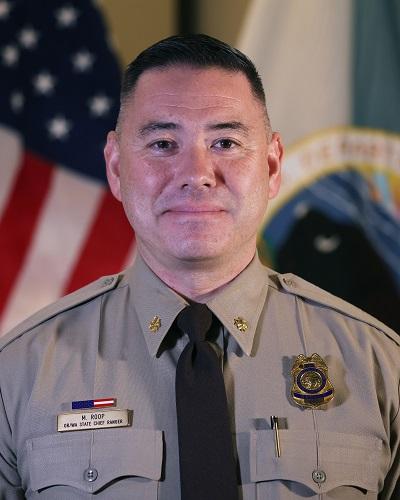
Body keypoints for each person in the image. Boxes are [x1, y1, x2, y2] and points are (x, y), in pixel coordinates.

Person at [0, 34, 399, 499]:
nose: (196, 172)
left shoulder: (379, 367)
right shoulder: (20, 372)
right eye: (164, 143)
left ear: (272, 166)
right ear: (115, 166)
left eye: (226, 142)